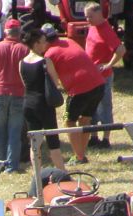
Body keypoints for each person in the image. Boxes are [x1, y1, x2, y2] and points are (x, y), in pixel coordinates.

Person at [42, 23, 105, 165]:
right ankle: (81, 154)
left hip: (78, 91)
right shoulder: (70, 41)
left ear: (44, 40)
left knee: (68, 121)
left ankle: (79, 157)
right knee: (85, 119)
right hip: (98, 85)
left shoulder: (49, 54)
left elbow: (54, 82)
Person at [0, 19, 29, 174]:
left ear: (5, 32)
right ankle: (11, 166)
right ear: (19, 32)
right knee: (15, 131)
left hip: (0, 92)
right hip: (18, 94)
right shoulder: (24, 50)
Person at [19, 29, 65, 171]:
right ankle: (63, 173)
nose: (46, 44)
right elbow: (55, 82)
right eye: (44, 41)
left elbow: (24, 83)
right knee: (53, 143)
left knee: (35, 144)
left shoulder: (21, 63)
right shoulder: (45, 61)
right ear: (36, 43)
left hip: (28, 104)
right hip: (44, 105)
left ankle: (37, 176)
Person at [83, 2, 123, 148]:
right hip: (90, 75)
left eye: (90, 16)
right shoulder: (92, 27)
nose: (88, 19)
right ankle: (94, 136)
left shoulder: (106, 30)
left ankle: (105, 139)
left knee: (105, 105)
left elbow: (120, 50)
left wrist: (108, 65)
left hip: (103, 76)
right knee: (91, 105)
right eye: (86, 16)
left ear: (99, 14)